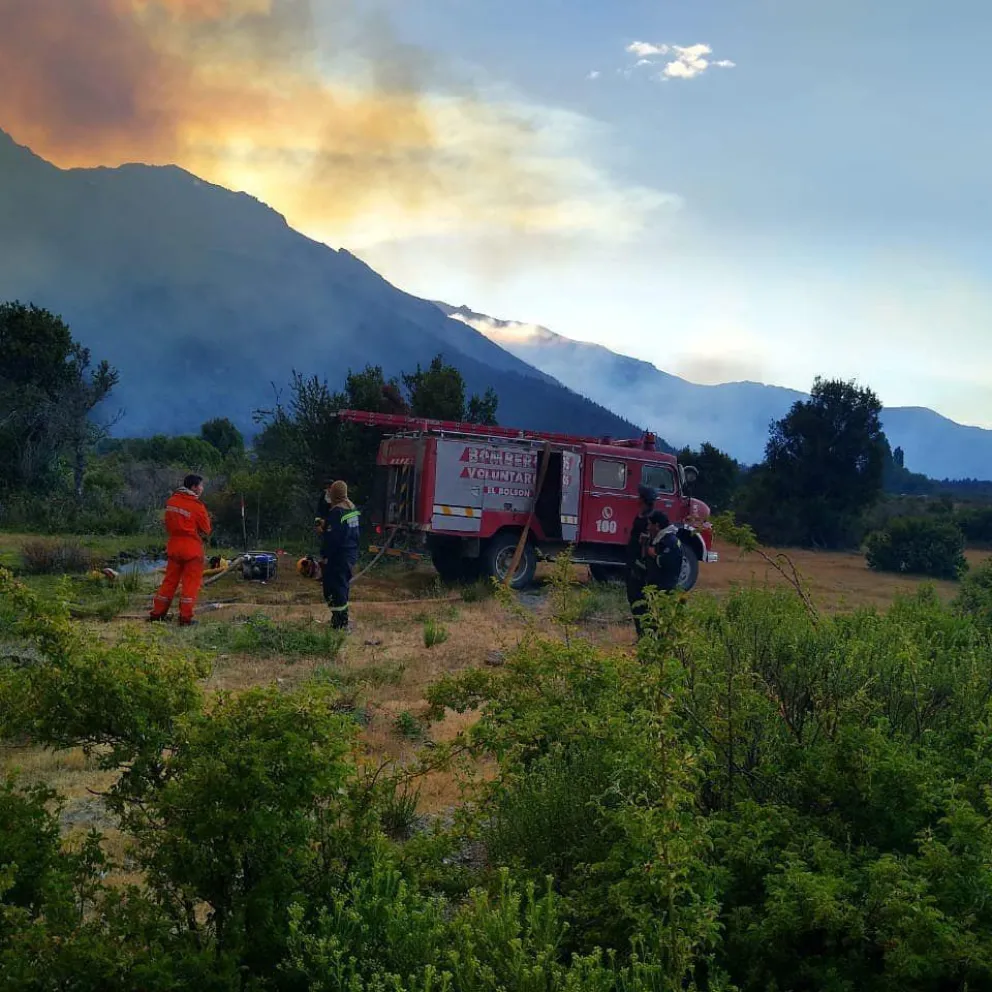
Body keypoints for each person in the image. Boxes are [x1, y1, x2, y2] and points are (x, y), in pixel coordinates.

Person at [149, 474, 212, 626]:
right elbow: (206, 529)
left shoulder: (171, 502)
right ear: (194, 487)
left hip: (174, 546)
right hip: (191, 548)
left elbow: (168, 523)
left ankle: (157, 614)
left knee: (169, 581)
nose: (202, 489)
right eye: (201, 486)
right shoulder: (197, 506)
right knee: (190, 584)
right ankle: (185, 618)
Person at [320, 480, 360, 630]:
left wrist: (324, 555)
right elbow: (349, 532)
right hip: (350, 553)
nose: (328, 494)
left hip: (338, 557)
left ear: (335, 493)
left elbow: (333, 539)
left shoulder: (337, 512)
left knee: (334, 589)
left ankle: (340, 622)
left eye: (330, 492)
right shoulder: (352, 508)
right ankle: (341, 620)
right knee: (342, 588)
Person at [626, 484, 657, 638]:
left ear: (644, 500)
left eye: (640, 497)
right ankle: (641, 635)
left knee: (641, 604)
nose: (637, 499)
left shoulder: (651, 520)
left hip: (640, 569)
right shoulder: (641, 516)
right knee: (634, 603)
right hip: (632, 563)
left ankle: (646, 636)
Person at [643, 510, 684, 594]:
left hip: (664, 591)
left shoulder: (670, 542)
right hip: (656, 588)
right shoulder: (660, 538)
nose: (648, 527)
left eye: (650, 524)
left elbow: (669, 563)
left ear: (657, 526)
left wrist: (654, 555)